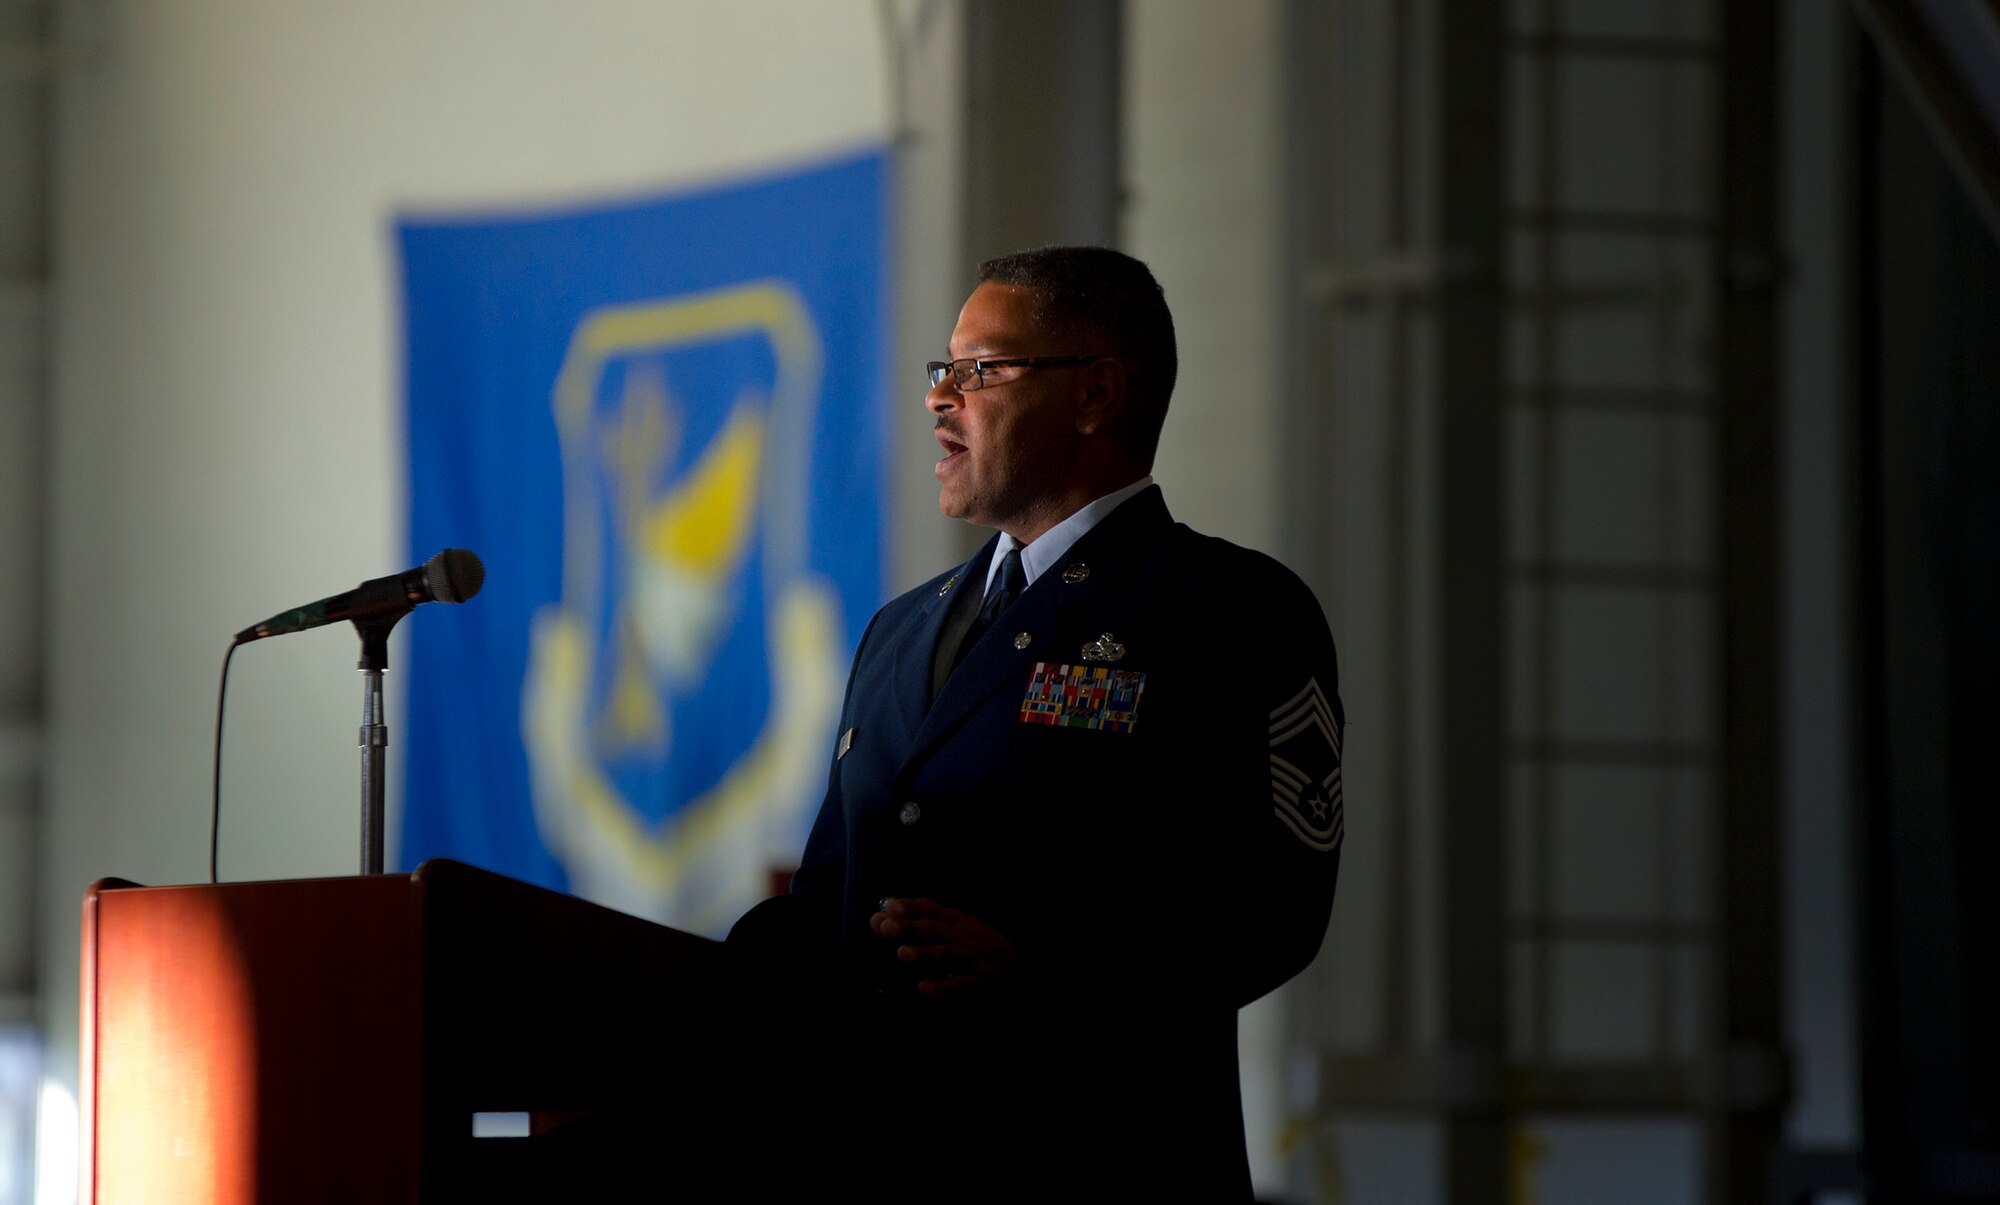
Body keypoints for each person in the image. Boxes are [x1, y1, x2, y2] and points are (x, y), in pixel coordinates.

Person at [730, 246, 1344, 1200]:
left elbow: (1276, 907)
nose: (943, 398)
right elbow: (830, 901)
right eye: (945, 369)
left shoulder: (1228, 607)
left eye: (984, 368)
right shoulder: (901, 628)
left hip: (1098, 1156)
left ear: (1095, 392)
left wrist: (1051, 982)